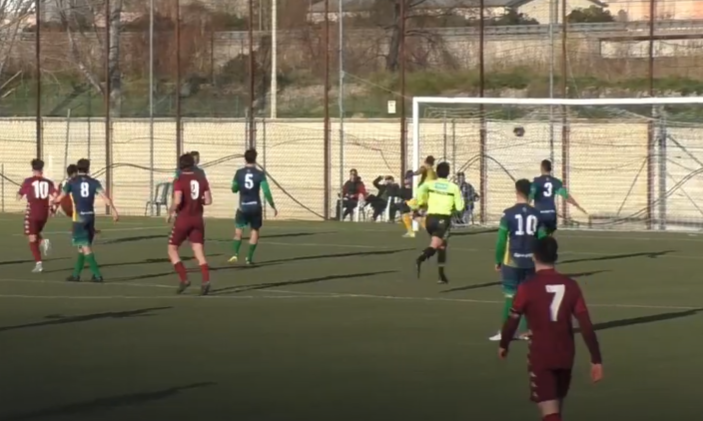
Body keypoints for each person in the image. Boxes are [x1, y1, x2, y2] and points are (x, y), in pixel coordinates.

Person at [498, 237, 603, 421]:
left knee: (549, 411)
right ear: (555, 256)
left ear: (534, 256)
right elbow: (586, 325)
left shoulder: (527, 287)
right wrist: (596, 359)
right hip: (566, 354)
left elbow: (513, 319)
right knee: (555, 407)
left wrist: (504, 343)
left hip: (541, 355)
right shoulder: (571, 285)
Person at [490, 179, 548, 341]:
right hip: (531, 261)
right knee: (530, 296)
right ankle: (531, 330)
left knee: (511, 296)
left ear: (516, 191)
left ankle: (506, 332)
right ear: (530, 193)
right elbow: (543, 238)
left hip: (512, 261)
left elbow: (501, 240)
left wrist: (498, 260)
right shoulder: (537, 214)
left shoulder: (508, 214)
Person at [54, 159, 119, 282]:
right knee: (81, 246)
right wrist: (114, 211)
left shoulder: (72, 182)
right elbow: (105, 198)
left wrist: (51, 202)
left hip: (79, 217)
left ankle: (97, 275)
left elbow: (60, 198)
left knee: (84, 246)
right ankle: (76, 274)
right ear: (88, 169)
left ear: (78, 169)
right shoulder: (94, 182)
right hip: (90, 216)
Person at [168, 153, 212, 295]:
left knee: (172, 249)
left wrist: (170, 211)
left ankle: (184, 279)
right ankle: (206, 280)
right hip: (198, 219)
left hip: (184, 219)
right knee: (199, 251)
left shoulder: (179, 180)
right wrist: (198, 200)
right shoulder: (201, 179)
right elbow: (208, 201)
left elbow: (177, 200)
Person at [413, 162, 464, 284]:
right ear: (448, 173)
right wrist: (453, 207)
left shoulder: (430, 184)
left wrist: (421, 203)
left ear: (437, 172)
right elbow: (460, 207)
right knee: (435, 245)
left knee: (442, 246)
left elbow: (420, 191)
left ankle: (441, 275)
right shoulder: (453, 187)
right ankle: (421, 257)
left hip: (430, 220)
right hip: (443, 220)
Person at [230, 149, 277, 265]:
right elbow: (266, 191)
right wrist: (272, 205)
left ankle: (235, 254)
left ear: (245, 159)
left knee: (238, 231)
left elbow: (234, 189)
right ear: (255, 158)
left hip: (243, 207)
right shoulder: (260, 174)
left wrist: (239, 187)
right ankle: (249, 259)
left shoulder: (239, 173)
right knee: (254, 231)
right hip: (255, 207)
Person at [17, 159, 57, 273]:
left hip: (32, 213)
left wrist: (20, 192)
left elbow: (19, 196)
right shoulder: (48, 182)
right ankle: (42, 244)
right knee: (35, 234)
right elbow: (56, 195)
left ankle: (39, 262)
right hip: (44, 214)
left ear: (33, 169)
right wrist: (53, 209)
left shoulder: (28, 181)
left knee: (32, 237)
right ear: (42, 169)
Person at [531, 160, 587, 235]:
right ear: (550, 168)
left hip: (540, 213)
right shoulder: (555, 182)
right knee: (549, 235)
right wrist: (576, 204)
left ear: (541, 168)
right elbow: (566, 196)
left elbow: (530, 196)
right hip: (551, 213)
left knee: (540, 236)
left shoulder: (536, 182)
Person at [402, 156, 436, 237]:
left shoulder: (426, 167)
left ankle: (411, 232)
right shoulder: (434, 173)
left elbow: (420, 170)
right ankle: (430, 231)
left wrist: (412, 174)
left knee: (405, 211)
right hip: (429, 197)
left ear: (425, 161)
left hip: (422, 196)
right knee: (415, 216)